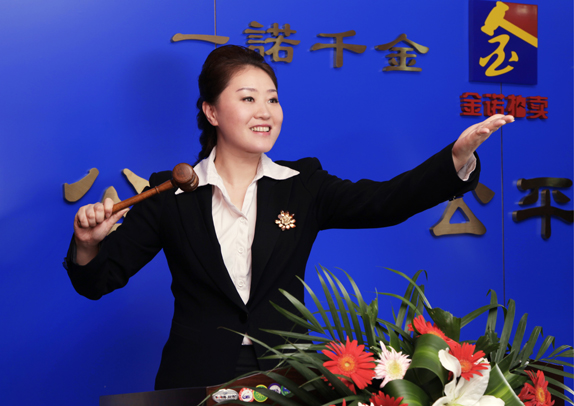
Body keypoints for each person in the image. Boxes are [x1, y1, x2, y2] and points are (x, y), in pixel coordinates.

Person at [64, 45, 514, 390]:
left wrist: (456, 160)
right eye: (248, 98)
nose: (265, 112)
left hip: (288, 375)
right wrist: (87, 244)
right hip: (194, 378)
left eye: (273, 100)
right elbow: (97, 282)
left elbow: (386, 201)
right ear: (211, 111)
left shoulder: (304, 185)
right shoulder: (171, 192)